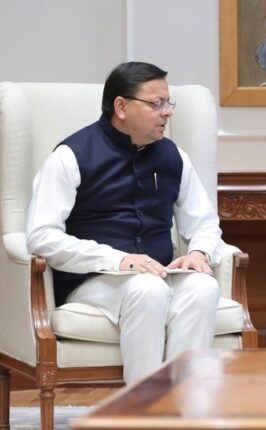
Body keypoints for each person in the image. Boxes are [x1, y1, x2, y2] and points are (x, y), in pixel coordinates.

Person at [26, 61, 223, 384]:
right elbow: (41, 236)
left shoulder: (173, 156)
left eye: (168, 103)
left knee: (203, 287)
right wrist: (119, 260)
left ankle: (181, 403)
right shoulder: (71, 155)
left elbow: (203, 220)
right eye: (156, 103)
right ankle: (141, 405)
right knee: (147, 289)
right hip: (94, 280)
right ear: (121, 106)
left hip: (160, 273)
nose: (167, 112)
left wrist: (199, 252)